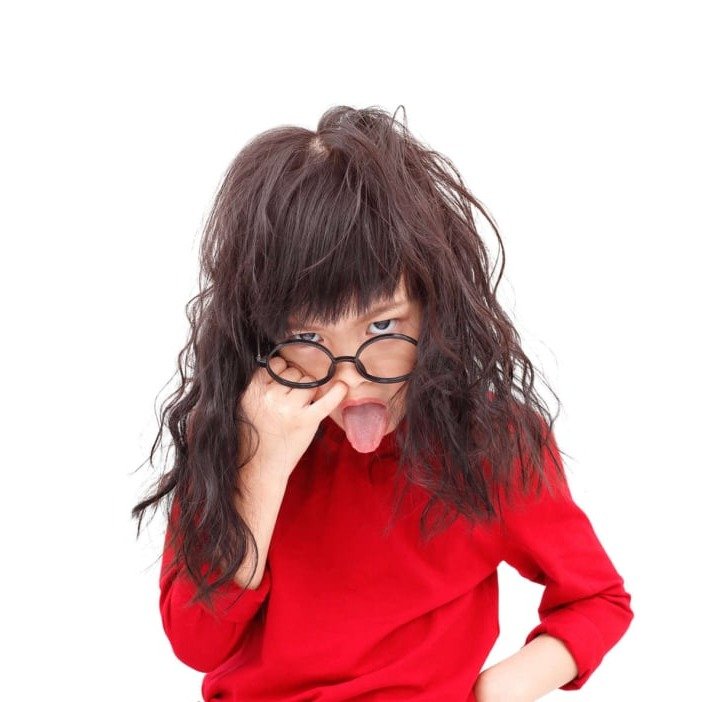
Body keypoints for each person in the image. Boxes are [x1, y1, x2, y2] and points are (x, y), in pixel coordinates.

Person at [132, 105, 633, 701]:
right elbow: (198, 643)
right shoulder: (235, 433)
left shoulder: (491, 445)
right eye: (309, 337)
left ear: (432, 304)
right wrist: (260, 470)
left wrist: (500, 688)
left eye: (381, 326)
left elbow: (598, 598)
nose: (351, 380)